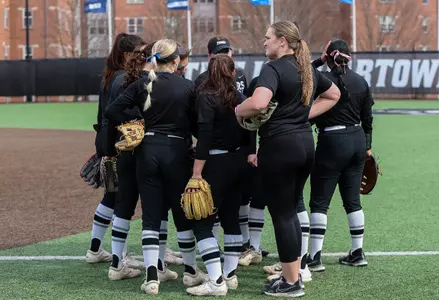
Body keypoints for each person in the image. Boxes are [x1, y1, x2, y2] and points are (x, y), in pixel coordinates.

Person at [235, 21, 341, 297]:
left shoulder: (273, 68)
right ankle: (293, 275)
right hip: (305, 144)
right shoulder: (304, 67)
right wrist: (303, 115)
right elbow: (334, 94)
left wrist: (237, 109)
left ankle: (291, 283)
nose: (264, 41)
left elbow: (257, 103)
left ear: (282, 41)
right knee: (291, 211)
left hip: (280, 147)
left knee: (282, 215)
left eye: (268, 37)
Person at [104, 39, 206, 295]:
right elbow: (197, 126)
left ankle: (152, 277)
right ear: (175, 61)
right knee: (182, 215)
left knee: (150, 215)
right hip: (176, 153)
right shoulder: (187, 86)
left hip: (146, 152)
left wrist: (137, 122)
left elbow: (111, 110)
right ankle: (191, 273)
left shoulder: (143, 84)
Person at [306, 39, 374, 272]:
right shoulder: (361, 81)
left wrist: (319, 60)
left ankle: (314, 257)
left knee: (319, 202)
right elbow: (368, 120)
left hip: (332, 142)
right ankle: (357, 252)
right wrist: (367, 147)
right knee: (352, 200)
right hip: (357, 140)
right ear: (349, 56)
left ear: (330, 56)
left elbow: (303, 74)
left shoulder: (324, 80)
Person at [186, 54, 249, 296]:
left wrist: (196, 172)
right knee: (231, 219)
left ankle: (216, 282)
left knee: (202, 224)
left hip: (215, 163)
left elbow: (204, 138)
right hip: (238, 162)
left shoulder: (206, 97)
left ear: (209, 73)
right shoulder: (239, 97)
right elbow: (250, 130)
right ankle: (230, 276)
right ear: (233, 74)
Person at [85, 33, 145, 266]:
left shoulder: (111, 76)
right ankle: (121, 256)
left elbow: (104, 116)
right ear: (127, 54)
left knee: (111, 194)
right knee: (122, 199)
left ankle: (95, 249)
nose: (143, 56)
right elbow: (120, 114)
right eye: (140, 52)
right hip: (121, 144)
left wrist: (104, 147)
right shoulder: (123, 79)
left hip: (108, 142)